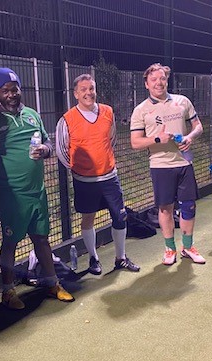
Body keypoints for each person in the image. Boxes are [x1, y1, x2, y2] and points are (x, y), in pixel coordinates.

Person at [0, 67, 74, 309]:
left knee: (41, 238)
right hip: (12, 196)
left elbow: (47, 142)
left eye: (14, 89)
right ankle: (8, 292)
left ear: (20, 89)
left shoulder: (32, 115)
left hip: (37, 191)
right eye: (5, 90)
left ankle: (52, 282)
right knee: (11, 242)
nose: (11, 94)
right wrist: (3, 176)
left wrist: (47, 150)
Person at [55, 74, 140, 275]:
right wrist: (80, 169)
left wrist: (103, 162)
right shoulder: (67, 119)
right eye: (83, 89)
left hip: (109, 177)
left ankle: (121, 258)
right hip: (85, 181)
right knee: (88, 218)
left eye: (91, 88)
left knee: (120, 217)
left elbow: (111, 139)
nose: (88, 93)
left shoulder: (107, 112)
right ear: (75, 94)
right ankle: (94, 258)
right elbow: (62, 151)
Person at [130, 63, 205, 266]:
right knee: (165, 209)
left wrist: (190, 137)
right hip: (160, 165)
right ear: (146, 84)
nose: (159, 83)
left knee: (189, 206)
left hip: (184, 162)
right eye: (154, 79)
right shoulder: (141, 110)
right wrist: (157, 139)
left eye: (162, 78)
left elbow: (198, 126)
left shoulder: (182, 101)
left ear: (167, 80)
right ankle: (170, 249)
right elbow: (135, 142)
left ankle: (188, 247)